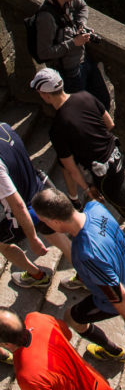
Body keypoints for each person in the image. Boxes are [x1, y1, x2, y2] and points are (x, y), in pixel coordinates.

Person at [31, 186, 125, 362]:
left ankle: (113, 351)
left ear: (55, 222)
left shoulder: (87, 253)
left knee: (72, 318)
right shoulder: (95, 208)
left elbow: (119, 296)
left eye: (44, 221)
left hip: (119, 296)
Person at [31, 67, 125, 259]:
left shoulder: (58, 127)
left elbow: (70, 167)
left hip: (104, 174)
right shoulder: (85, 96)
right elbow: (109, 123)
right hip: (116, 156)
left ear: (44, 95)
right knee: (123, 201)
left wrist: (87, 188)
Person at [0, 119, 74, 291]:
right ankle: (87, 275)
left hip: (28, 209)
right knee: (60, 240)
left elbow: (18, 205)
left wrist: (32, 239)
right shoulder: (5, 127)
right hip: (41, 189)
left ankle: (37, 276)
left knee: (3, 245)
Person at [35, 0, 109, 108]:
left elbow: (83, 7)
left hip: (84, 62)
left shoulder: (69, 0)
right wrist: (74, 42)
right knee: (83, 110)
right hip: (71, 74)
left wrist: (81, 24)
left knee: (103, 102)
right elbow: (44, 53)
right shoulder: (46, 17)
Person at [0, 309, 111, 389]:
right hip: (98, 383)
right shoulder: (37, 318)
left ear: (6, 344)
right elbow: (67, 334)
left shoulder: (27, 376)